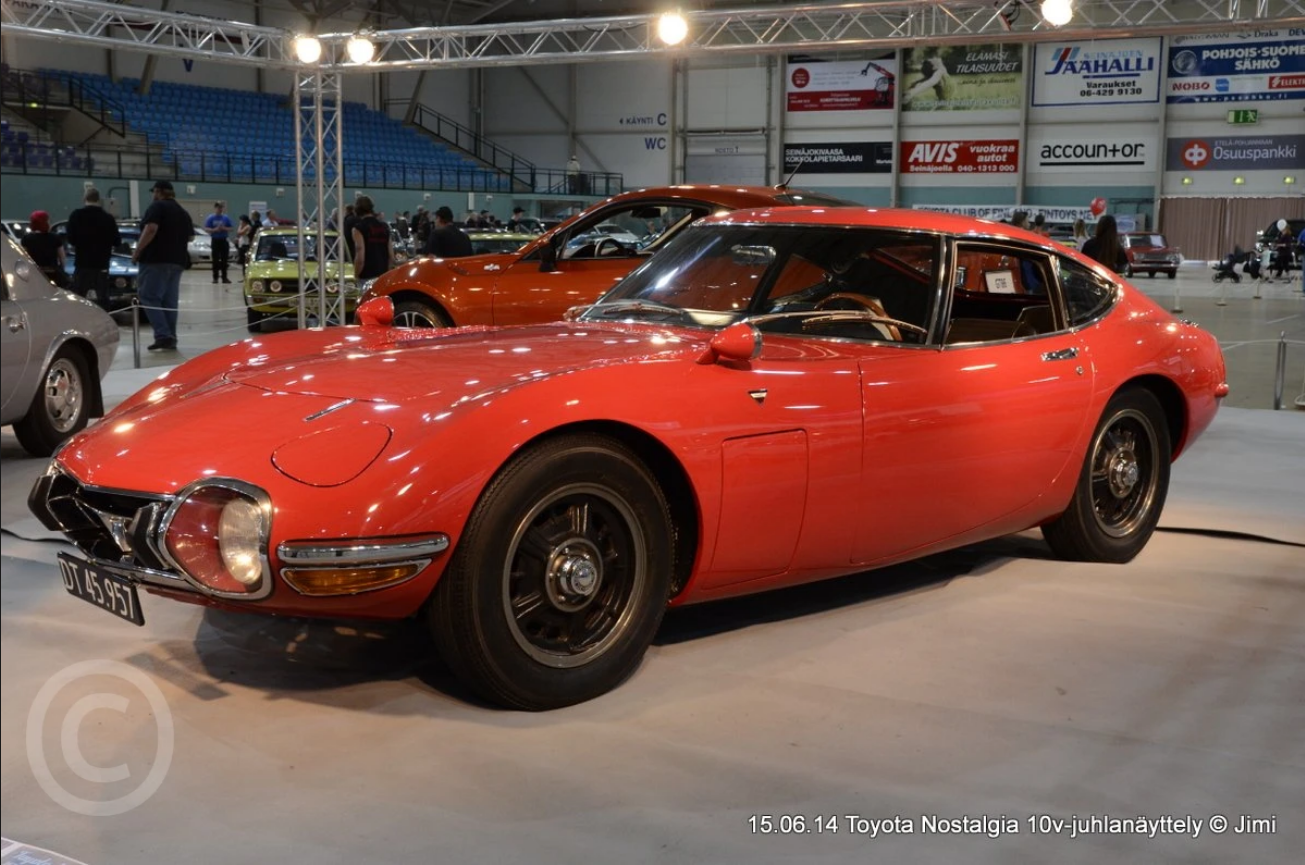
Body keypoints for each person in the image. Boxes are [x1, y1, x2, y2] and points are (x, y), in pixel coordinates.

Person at [132, 180, 194, 351]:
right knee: (169, 301)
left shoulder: (157, 207)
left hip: (156, 259)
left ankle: (163, 335)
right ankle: (171, 337)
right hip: (177, 261)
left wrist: (137, 251)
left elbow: (151, 228)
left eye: (154, 192)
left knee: (148, 296)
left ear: (158, 192)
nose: (153, 195)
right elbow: (191, 237)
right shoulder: (183, 212)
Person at [65, 188, 120, 309]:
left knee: (78, 297)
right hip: (102, 264)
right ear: (98, 199)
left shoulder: (76, 215)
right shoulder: (108, 218)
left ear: (84, 198)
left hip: (83, 263)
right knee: (103, 298)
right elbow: (117, 241)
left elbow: (71, 239)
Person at [21, 210, 67, 287]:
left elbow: (24, 257)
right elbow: (62, 257)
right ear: (46, 222)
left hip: (35, 273)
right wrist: (62, 270)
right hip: (53, 273)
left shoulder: (27, 238)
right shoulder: (55, 237)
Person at [350, 195, 392, 280]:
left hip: (366, 275)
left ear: (357, 209)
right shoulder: (385, 227)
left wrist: (356, 275)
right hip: (383, 275)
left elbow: (360, 257)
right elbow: (391, 256)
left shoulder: (358, 228)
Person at [203, 201, 234, 284]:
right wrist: (214, 230)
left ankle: (224, 277)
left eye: (221, 207)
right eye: (218, 207)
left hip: (224, 240)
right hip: (215, 240)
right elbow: (206, 228)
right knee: (215, 260)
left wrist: (224, 228)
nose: (220, 209)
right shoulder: (211, 218)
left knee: (224, 260)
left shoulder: (226, 218)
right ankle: (215, 278)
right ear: (215, 208)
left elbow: (231, 228)